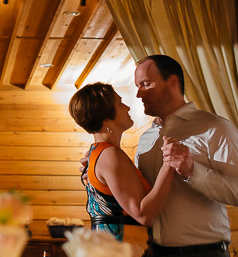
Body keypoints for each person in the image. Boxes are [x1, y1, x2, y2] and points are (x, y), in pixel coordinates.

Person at [134, 54, 238, 257]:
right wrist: (101, 164)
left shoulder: (215, 127)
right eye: (138, 86)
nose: (138, 94)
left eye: (146, 84)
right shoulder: (146, 138)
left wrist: (193, 171)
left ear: (172, 82)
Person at [68, 82, 175, 241]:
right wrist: (169, 164)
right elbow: (144, 216)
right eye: (120, 103)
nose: (127, 107)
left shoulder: (96, 153)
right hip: (121, 252)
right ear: (106, 117)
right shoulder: (110, 155)